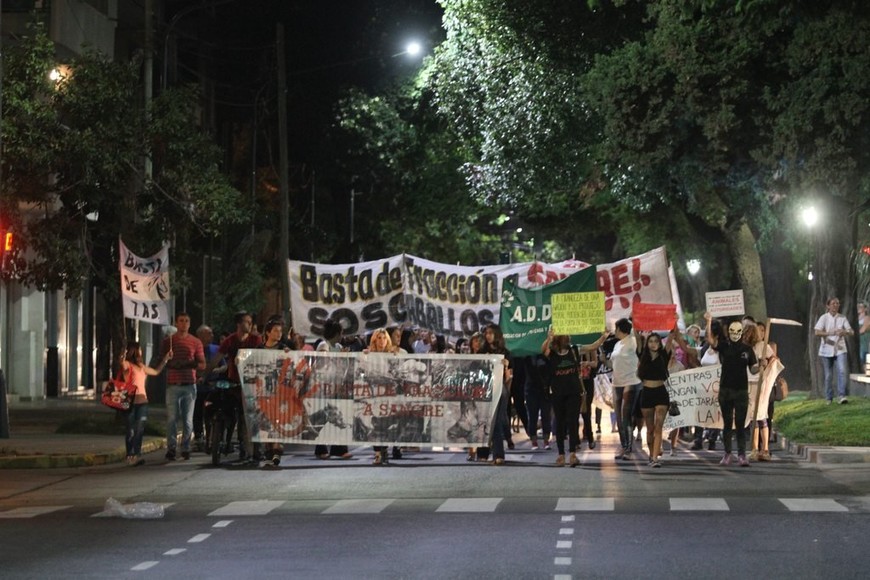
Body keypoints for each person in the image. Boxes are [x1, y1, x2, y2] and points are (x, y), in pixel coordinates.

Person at [542, 328, 608, 467]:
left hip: (574, 392)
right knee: (560, 423)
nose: (568, 337)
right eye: (564, 335)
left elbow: (592, 346)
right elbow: (544, 351)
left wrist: (603, 337)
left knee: (573, 422)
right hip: (558, 393)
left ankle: (572, 453)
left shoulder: (575, 350)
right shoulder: (552, 353)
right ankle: (561, 454)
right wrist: (548, 337)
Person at [202, 311, 263, 462]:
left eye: (250, 322)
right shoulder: (229, 341)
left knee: (251, 418)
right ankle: (221, 436)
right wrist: (204, 375)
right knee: (223, 404)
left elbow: (262, 356)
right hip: (233, 382)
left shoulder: (256, 339)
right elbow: (217, 359)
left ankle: (255, 451)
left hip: (251, 384)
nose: (249, 325)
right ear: (239, 324)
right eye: (246, 322)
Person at [705, 312, 761, 467]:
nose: (735, 334)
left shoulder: (748, 350)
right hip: (726, 390)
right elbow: (710, 340)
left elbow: (753, 369)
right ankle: (728, 453)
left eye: (738, 331)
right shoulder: (723, 346)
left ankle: (742, 455)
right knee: (727, 423)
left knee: (741, 424)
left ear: (741, 333)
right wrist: (708, 321)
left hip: (741, 390)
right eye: (732, 331)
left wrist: (761, 366)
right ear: (728, 332)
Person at [162, 312, 206, 461]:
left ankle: (186, 447)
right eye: (181, 321)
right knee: (171, 419)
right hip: (173, 384)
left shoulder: (196, 342)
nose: (184, 323)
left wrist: (188, 363)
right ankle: (171, 448)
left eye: (187, 321)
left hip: (189, 385)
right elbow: (161, 361)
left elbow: (202, 363)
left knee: (187, 419)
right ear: (176, 323)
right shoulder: (168, 342)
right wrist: (169, 361)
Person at [121, 342, 171, 466]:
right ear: (134, 351)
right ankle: (130, 455)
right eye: (139, 349)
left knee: (139, 429)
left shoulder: (142, 367)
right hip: (130, 402)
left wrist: (165, 359)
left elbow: (156, 372)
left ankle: (136, 455)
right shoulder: (128, 365)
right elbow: (122, 364)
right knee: (130, 430)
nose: (141, 352)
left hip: (142, 403)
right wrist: (122, 354)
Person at [314, 318, 352, 459]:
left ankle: (339, 448)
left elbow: (344, 367)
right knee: (324, 416)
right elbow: (323, 362)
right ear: (336, 333)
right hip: (325, 386)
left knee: (338, 415)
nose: (342, 336)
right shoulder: (324, 345)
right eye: (341, 333)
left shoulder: (339, 346)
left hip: (337, 385)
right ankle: (321, 448)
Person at [636, 331, 673, 468]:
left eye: (656, 341)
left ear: (659, 343)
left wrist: (673, 322)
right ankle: (651, 455)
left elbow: (671, 337)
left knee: (659, 427)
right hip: (646, 393)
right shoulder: (642, 355)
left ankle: (655, 458)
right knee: (650, 428)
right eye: (651, 341)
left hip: (661, 393)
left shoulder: (664, 355)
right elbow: (637, 337)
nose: (653, 344)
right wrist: (635, 321)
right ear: (647, 343)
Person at [478, 323, 512, 465]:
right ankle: (483, 454)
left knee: (496, 421)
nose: (488, 336)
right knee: (483, 421)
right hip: (484, 389)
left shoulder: (505, 352)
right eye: (486, 333)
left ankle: (499, 455)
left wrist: (505, 365)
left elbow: (509, 377)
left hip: (499, 388)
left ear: (497, 334)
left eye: (491, 333)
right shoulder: (482, 351)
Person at [257, 319, 290, 466]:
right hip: (263, 392)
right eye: (275, 330)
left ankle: (277, 451)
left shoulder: (284, 348)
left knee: (277, 420)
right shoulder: (259, 349)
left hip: (279, 391)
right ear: (268, 332)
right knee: (266, 421)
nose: (278, 333)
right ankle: (269, 452)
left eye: (280, 331)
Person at [609, 318, 640, 460]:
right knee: (619, 417)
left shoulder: (633, 341)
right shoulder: (617, 344)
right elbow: (613, 364)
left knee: (625, 413)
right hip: (616, 383)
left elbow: (639, 346)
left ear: (620, 329)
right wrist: (604, 360)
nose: (614, 331)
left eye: (616, 328)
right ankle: (623, 445)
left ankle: (628, 448)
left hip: (630, 381)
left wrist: (635, 321)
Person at [814, 296, 853, 404]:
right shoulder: (824, 318)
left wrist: (844, 332)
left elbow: (851, 331)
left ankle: (842, 396)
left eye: (837, 303)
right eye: (833, 303)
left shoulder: (842, 318)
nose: (836, 305)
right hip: (826, 350)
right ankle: (829, 397)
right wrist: (829, 333)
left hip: (840, 349)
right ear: (828, 306)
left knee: (842, 371)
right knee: (828, 375)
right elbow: (817, 332)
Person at [365, 328, 396, 465]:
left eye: (384, 338)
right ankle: (377, 453)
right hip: (374, 394)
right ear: (374, 340)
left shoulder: (393, 355)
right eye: (379, 338)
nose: (382, 341)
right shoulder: (369, 354)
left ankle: (384, 451)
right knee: (375, 422)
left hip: (388, 394)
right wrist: (364, 356)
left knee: (386, 422)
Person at [747, 322, 776, 462]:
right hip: (749, 383)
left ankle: (765, 449)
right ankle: (754, 449)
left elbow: (773, 359)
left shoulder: (763, 346)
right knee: (753, 416)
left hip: (761, 383)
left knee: (761, 415)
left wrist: (766, 366)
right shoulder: (746, 347)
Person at [194, 324, 224, 452]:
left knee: (213, 413)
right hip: (198, 387)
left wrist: (215, 370)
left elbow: (224, 366)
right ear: (200, 335)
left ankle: (213, 438)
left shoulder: (217, 349)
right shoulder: (194, 349)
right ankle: (199, 437)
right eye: (209, 333)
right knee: (197, 413)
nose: (212, 336)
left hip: (213, 387)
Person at [524, 354, 552, 451]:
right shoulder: (528, 357)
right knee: (533, 415)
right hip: (531, 389)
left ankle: (546, 440)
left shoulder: (546, 356)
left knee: (546, 415)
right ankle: (534, 440)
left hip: (544, 390)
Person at [858, 302, 870, 373]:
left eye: (861, 306)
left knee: (864, 358)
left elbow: (863, 330)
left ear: (865, 309)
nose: (859, 307)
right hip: (859, 341)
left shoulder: (867, 318)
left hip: (864, 341)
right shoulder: (856, 318)